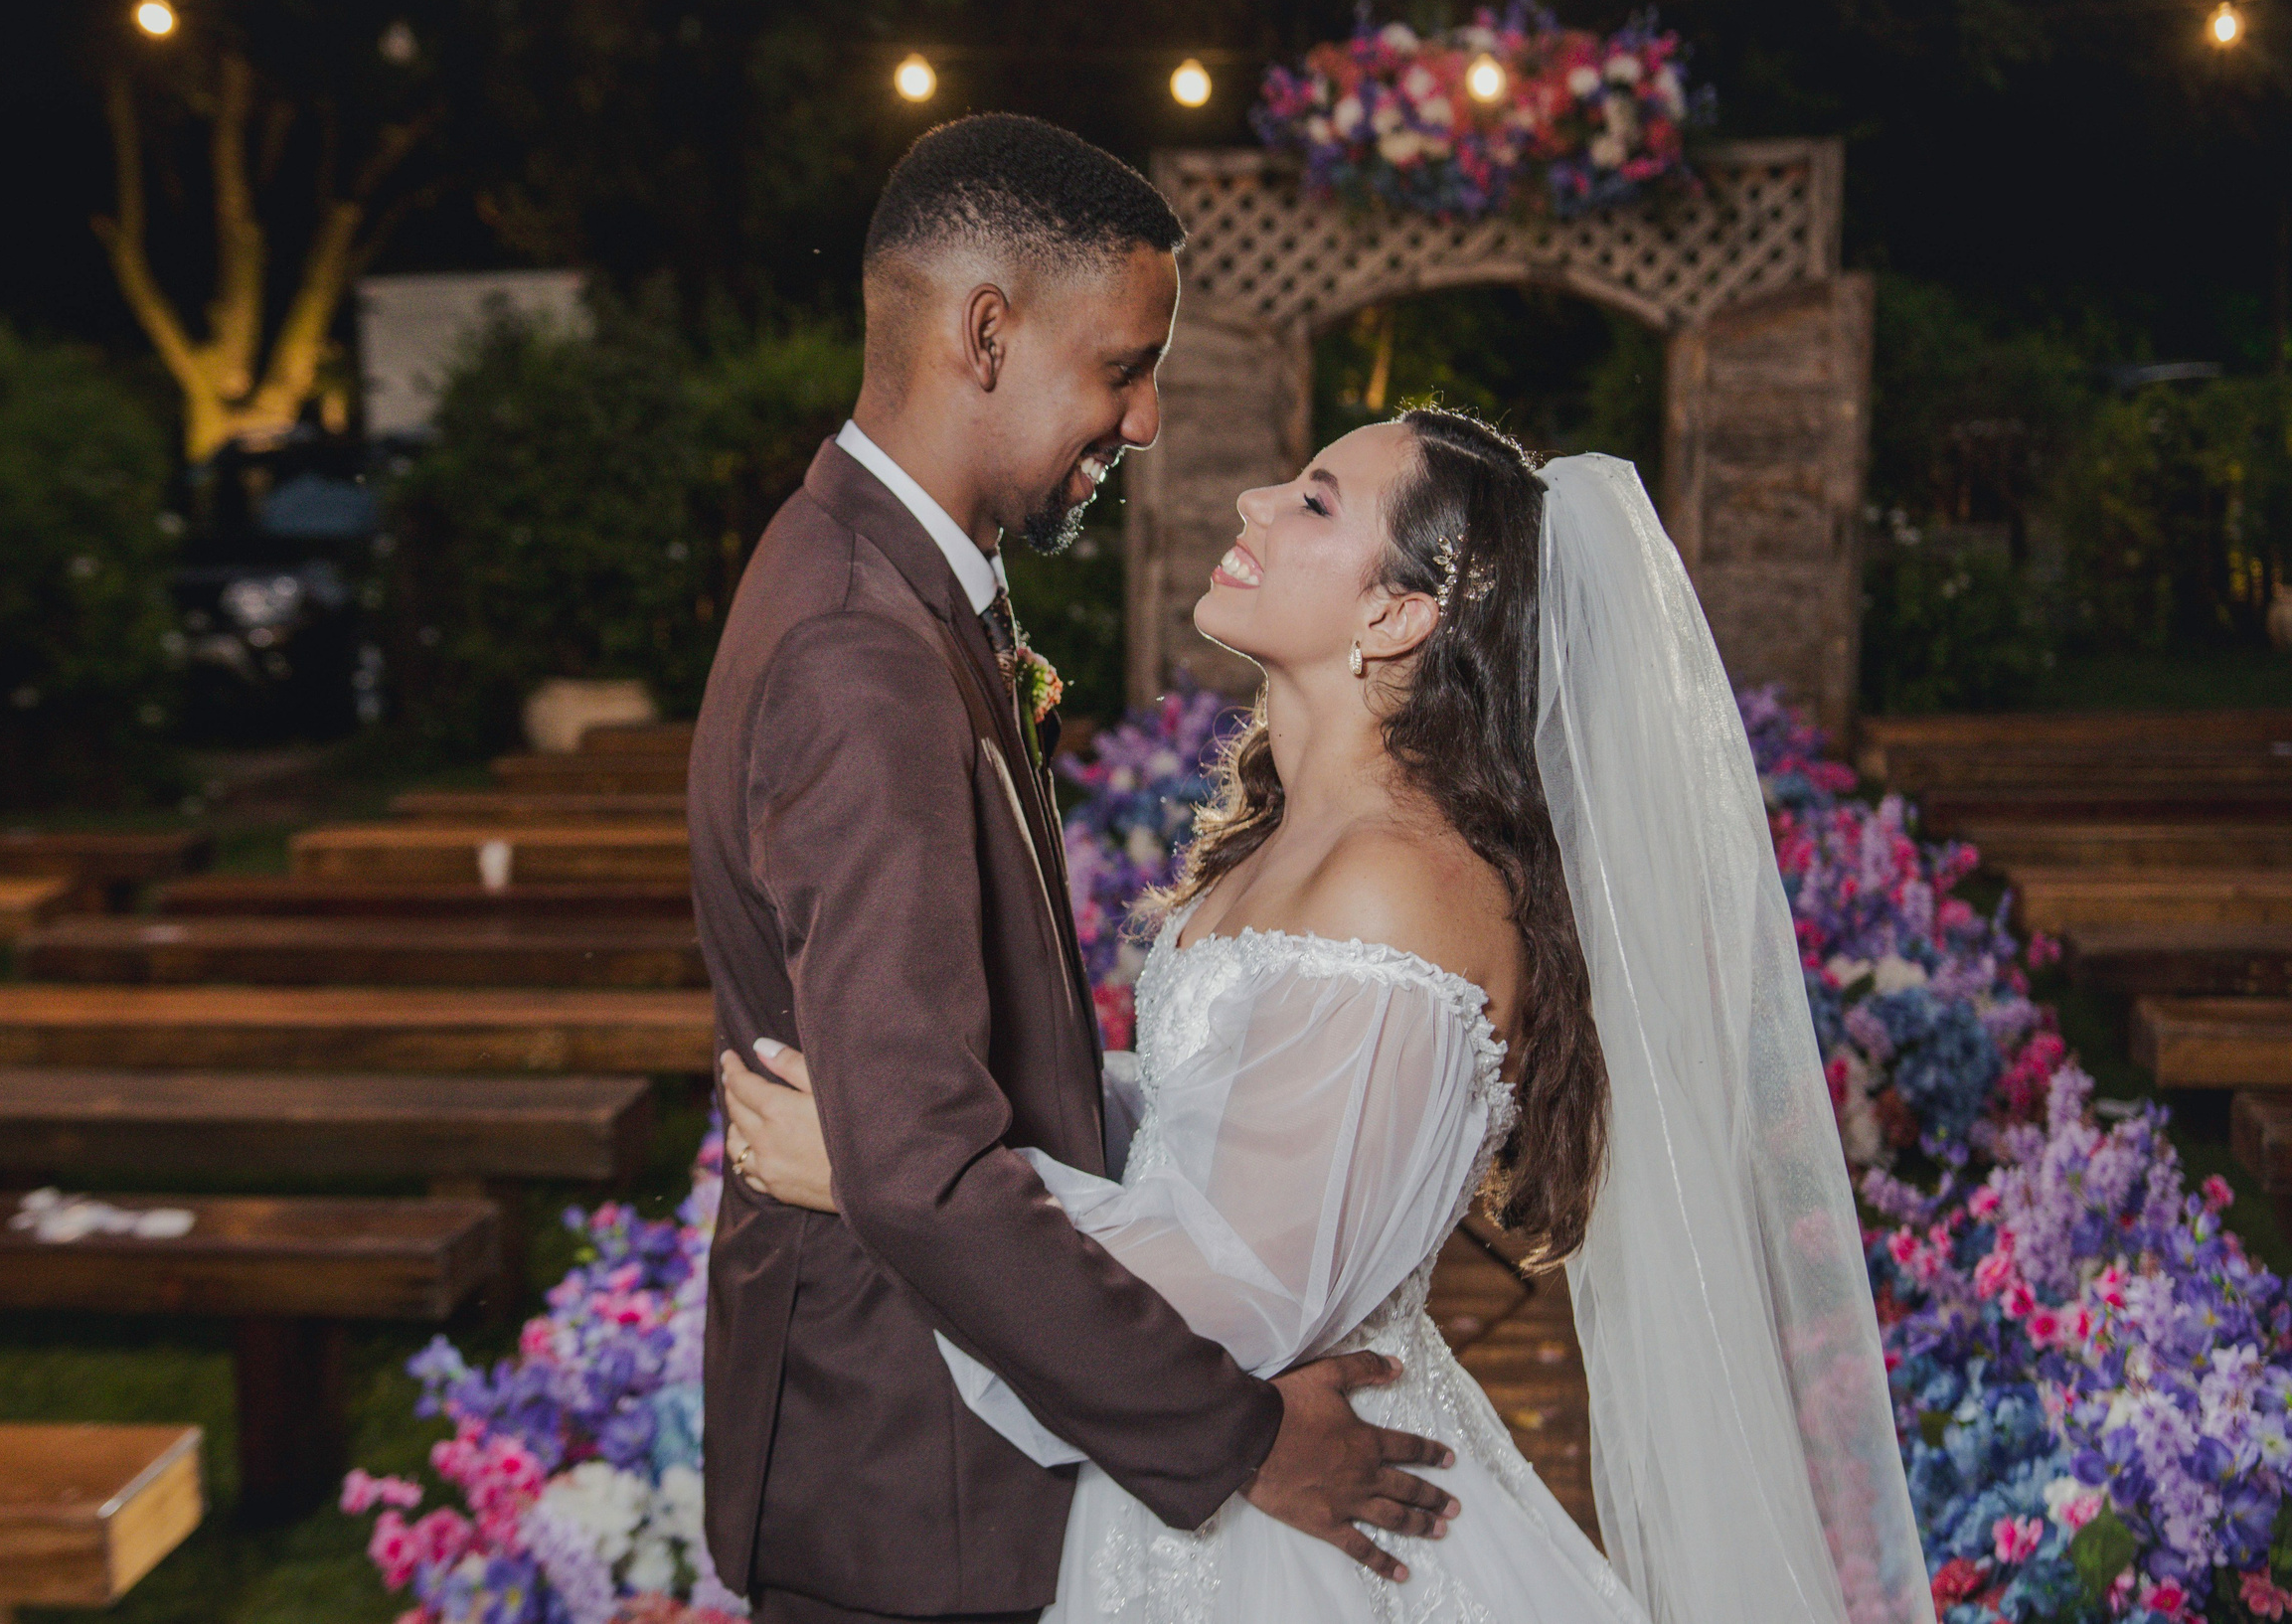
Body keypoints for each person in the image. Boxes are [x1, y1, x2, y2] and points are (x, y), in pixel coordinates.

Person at [726, 408, 1937, 1623]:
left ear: (1395, 616)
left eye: (1312, 501)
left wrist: (884, 1175)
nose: (1254, 503)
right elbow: (1236, 1126)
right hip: (1209, 1491)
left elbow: (1238, 1295)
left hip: (1300, 1529)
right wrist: (969, 1095)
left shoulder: (1394, 881)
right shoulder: (1298, 839)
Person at [686, 113, 1460, 1624]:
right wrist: (1243, 1441)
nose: (1150, 417)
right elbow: (918, 1175)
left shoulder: (893, 590)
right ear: (987, 333)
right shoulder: (861, 648)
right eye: (1124, 365)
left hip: (943, 1456)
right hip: (916, 1490)